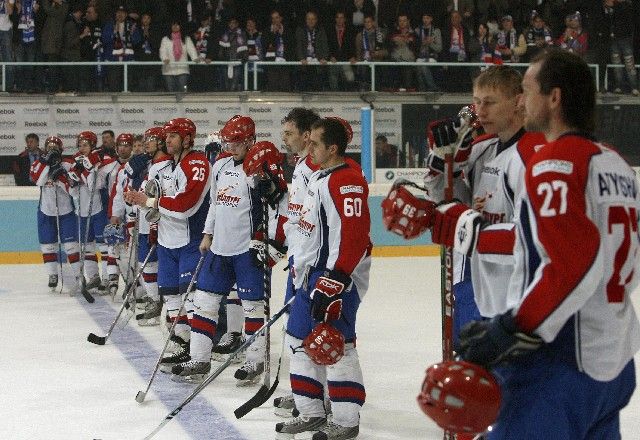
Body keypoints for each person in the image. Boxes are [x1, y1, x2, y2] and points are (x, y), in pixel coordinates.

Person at [432, 49, 640, 439]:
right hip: (615, 360)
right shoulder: (617, 165)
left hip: (561, 364)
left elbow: (571, 265)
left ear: (554, 98)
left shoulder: (554, 164)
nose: (521, 102)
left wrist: (511, 328)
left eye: (527, 91)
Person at [170, 115, 287, 384]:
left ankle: (255, 361)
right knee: (205, 303)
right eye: (227, 142)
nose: (230, 147)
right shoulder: (221, 165)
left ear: (250, 141)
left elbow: (276, 207)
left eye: (236, 142)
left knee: (253, 308)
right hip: (219, 249)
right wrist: (207, 233)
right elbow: (214, 203)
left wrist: (269, 243)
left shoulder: (260, 168)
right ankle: (199, 359)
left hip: (247, 250)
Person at [275, 117, 371, 440]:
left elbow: (355, 237)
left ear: (332, 148)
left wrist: (336, 279)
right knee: (301, 339)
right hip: (311, 274)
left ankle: (345, 420)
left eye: (314, 143)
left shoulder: (346, 181)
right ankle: (311, 412)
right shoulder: (319, 177)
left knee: (337, 343)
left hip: (337, 278)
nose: (308, 146)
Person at [124, 118, 211, 369]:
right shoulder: (163, 167)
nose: (167, 140)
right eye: (167, 136)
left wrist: (149, 202)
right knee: (171, 297)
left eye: (173, 136)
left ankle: (199, 355)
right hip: (166, 242)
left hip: (191, 241)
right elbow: (155, 202)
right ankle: (183, 343)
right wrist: (145, 211)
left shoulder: (197, 163)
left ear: (187, 139)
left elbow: (185, 206)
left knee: (192, 300)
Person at [28, 136, 83, 293]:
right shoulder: (38, 163)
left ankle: (79, 276)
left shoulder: (68, 164)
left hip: (66, 211)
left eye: (55, 146)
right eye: (49, 146)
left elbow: (75, 192)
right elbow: (37, 180)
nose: (52, 149)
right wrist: (47, 164)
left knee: (71, 246)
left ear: (61, 149)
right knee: (48, 245)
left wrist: (62, 178)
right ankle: (52, 274)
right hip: (46, 210)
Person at [160, 20, 199, 92]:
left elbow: (191, 50)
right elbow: (162, 51)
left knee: (183, 89)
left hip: (183, 69)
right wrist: (165, 58)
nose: (175, 27)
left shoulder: (186, 38)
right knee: (170, 91)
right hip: (168, 70)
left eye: (177, 25)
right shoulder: (165, 39)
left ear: (180, 27)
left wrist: (195, 58)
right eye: (173, 25)